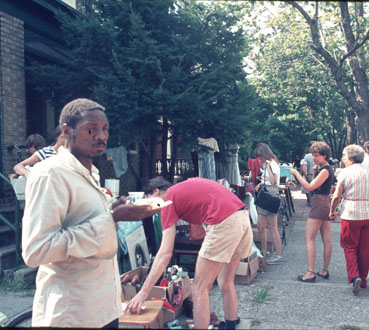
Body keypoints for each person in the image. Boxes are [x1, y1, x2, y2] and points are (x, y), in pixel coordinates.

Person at [22, 98, 160, 327]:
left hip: (104, 308)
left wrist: (114, 210)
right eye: (91, 129)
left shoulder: (90, 173)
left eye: (105, 129)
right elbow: (36, 250)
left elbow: (87, 222)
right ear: (67, 131)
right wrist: (112, 218)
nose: (101, 136)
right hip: (73, 313)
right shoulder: (50, 174)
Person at [126, 177, 253, 330]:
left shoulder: (168, 200)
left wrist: (143, 293)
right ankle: (230, 326)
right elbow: (200, 226)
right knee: (225, 282)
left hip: (224, 222)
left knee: (199, 288)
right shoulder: (184, 189)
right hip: (242, 218)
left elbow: (165, 254)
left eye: (149, 201)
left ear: (156, 191)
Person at [329, 144, 369, 295]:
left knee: (349, 246)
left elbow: (338, 195)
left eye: (344, 157)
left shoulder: (345, 173)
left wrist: (332, 211)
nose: (343, 160)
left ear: (351, 159)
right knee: (365, 248)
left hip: (351, 214)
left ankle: (354, 276)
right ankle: (363, 280)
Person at [289, 142, 335, 283]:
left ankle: (310, 272)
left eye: (317, 156)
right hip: (325, 203)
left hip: (319, 204)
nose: (314, 158)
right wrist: (315, 172)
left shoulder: (325, 170)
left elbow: (309, 187)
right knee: (326, 239)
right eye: (313, 155)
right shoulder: (325, 169)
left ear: (324, 155)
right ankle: (324, 270)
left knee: (309, 238)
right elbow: (315, 184)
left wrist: (296, 173)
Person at [252, 143, 283, 264]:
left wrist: (269, 168)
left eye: (260, 156)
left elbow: (274, 182)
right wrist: (260, 183)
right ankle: (264, 251)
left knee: (272, 227)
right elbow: (267, 180)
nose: (259, 159)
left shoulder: (272, 164)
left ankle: (279, 254)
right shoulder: (265, 164)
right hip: (265, 193)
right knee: (260, 225)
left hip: (271, 194)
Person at [300, 141, 315, 206]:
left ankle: (310, 202)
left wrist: (306, 176)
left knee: (308, 190)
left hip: (309, 175)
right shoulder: (320, 156)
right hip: (318, 175)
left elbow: (303, 168)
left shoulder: (307, 156)